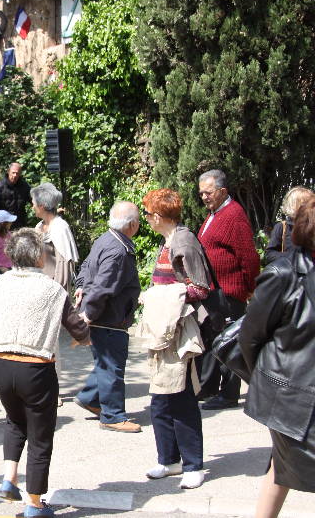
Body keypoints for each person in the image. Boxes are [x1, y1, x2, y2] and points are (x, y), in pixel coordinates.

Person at [0, 228, 90, 518]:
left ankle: (9, 477)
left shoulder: (3, 282)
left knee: (15, 420)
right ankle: (34, 503)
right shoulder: (52, 289)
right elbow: (78, 330)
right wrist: (86, 329)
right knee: (40, 435)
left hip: (0, 363)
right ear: (37, 255)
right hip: (35, 367)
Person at [239, 196, 315, 518]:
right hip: (292, 395)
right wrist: (270, 380)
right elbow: (250, 336)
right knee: (285, 462)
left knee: (281, 464)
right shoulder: (283, 274)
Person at [141, 188, 209, 489]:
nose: (145, 219)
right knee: (159, 398)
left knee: (181, 397)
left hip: (179, 330)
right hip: (162, 330)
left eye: (147, 214)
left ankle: (193, 465)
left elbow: (202, 287)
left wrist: (164, 296)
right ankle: (169, 460)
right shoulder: (169, 241)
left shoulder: (184, 241)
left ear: (157, 217)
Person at [73, 201, 142, 433]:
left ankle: (91, 398)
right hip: (108, 317)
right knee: (112, 365)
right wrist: (88, 314)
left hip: (105, 315)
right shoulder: (117, 249)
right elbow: (104, 286)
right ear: (132, 224)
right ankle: (112, 415)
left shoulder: (106, 239)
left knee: (105, 362)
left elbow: (85, 267)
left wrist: (81, 286)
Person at [197, 169, 260, 410]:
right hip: (215, 291)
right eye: (201, 193)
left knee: (230, 342)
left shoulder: (234, 215)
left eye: (208, 192)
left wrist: (249, 288)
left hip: (230, 291)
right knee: (214, 339)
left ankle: (230, 393)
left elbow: (249, 258)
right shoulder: (214, 213)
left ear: (223, 191)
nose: (204, 197)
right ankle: (210, 387)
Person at [31, 183, 79, 295]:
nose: (32, 207)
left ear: (41, 206)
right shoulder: (39, 226)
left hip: (52, 291)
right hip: (38, 287)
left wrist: (56, 296)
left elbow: (63, 266)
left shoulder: (60, 228)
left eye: (33, 204)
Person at [265, 186, 315, 264]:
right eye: (308, 204)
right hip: (290, 273)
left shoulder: (312, 227)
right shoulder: (282, 227)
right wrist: (293, 258)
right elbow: (269, 254)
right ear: (294, 206)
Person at [0, 163, 31, 229]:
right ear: (8, 172)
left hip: (20, 225)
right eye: (13, 172)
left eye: (17, 173)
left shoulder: (25, 187)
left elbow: (33, 201)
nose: (15, 175)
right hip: (3, 227)